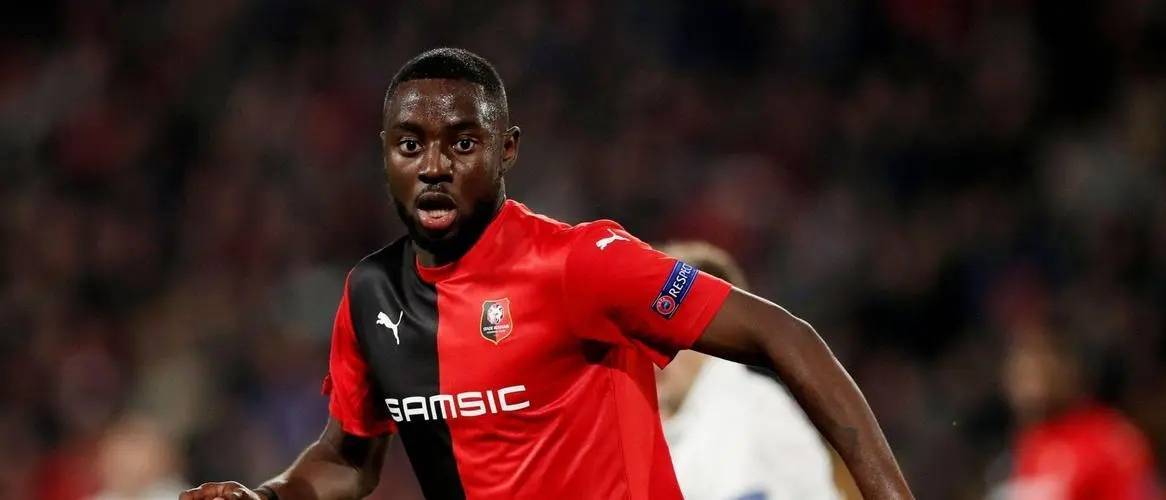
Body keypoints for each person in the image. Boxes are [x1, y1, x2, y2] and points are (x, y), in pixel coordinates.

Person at [180, 48, 912, 500]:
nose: (433, 166)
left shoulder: (579, 264)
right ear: (384, 153)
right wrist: (267, 497)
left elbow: (785, 336)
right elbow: (349, 459)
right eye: (410, 144)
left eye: (461, 143)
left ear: (507, 150)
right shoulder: (371, 295)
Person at [656, 241, 842, 500]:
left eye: (664, 332)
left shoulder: (740, 409)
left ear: (714, 332)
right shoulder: (695, 422)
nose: (651, 353)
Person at [994, 331, 1158, 500]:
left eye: (1038, 371)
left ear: (1068, 372)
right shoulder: (1031, 441)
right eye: (1021, 374)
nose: (1029, 388)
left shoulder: (1110, 438)